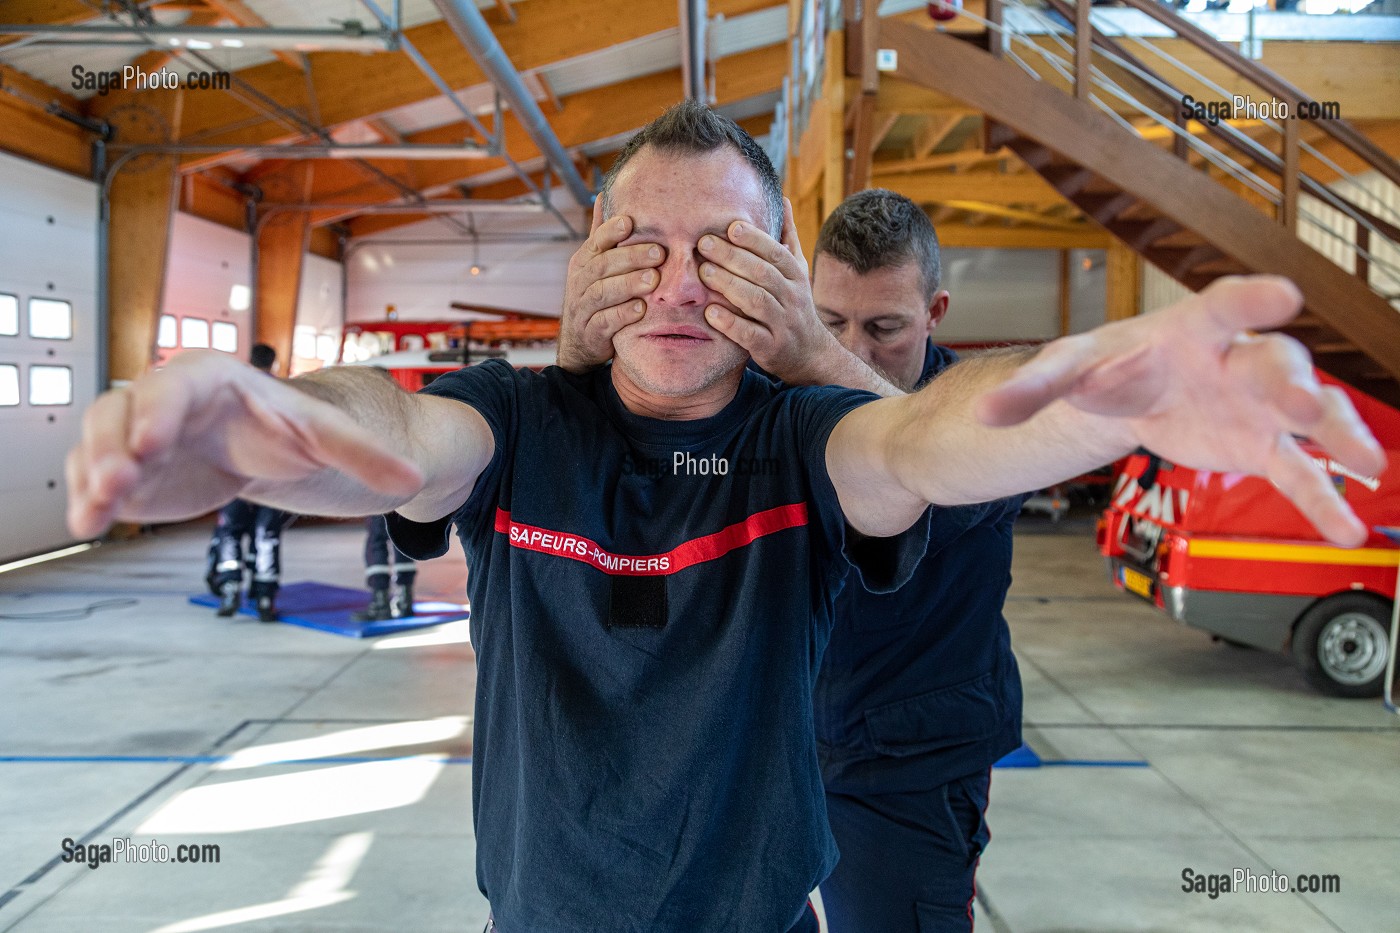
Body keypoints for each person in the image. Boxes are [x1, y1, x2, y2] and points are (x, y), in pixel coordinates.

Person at [68, 103, 1383, 933]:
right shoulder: (518, 419)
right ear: (592, 253)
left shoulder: (799, 432)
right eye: (644, 244)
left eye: (728, 252)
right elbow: (398, 431)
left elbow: (922, 434)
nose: (680, 286)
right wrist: (262, 416)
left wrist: (1106, 405)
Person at [808, 191, 1019, 932]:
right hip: (785, 748)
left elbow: (912, 457)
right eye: (830, 323)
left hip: (909, 773)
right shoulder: (787, 404)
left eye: (885, 328)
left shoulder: (978, 423)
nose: (854, 351)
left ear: (936, 312)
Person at [202, 343, 296, 623]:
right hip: (272, 479)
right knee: (266, 536)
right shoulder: (284, 395)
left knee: (230, 531)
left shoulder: (234, 394)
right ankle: (265, 598)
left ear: (248, 361)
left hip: (238, 476)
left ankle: (230, 589)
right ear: (274, 364)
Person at [352, 514, 417, 621]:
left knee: (376, 539)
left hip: (381, 499)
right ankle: (405, 601)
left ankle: (380, 604)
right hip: (406, 500)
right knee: (402, 536)